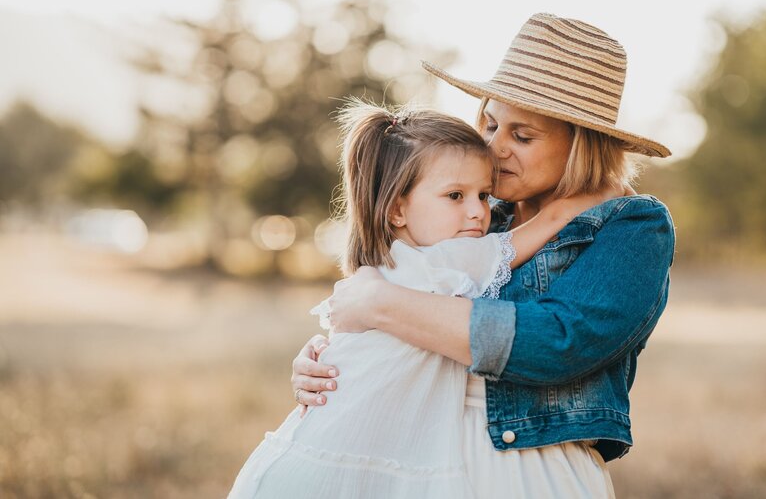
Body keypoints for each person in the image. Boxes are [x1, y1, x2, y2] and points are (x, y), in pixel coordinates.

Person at [291, 13, 676, 498]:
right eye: (490, 124)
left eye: (522, 136)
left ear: (581, 143)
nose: (493, 149)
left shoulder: (633, 225)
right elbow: (401, 282)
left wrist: (381, 306)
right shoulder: (473, 208)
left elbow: (560, 343)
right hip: (415, 451)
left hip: (531, 464)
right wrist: (329, 361)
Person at [227, 99, 607, 498]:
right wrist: (608, 191)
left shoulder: (390, 265)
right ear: (396, 211)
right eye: (456, 196)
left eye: (482, 194)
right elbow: (549, 222)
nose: (480, 212)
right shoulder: (449, 260)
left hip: (331, 436)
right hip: (356, 446)